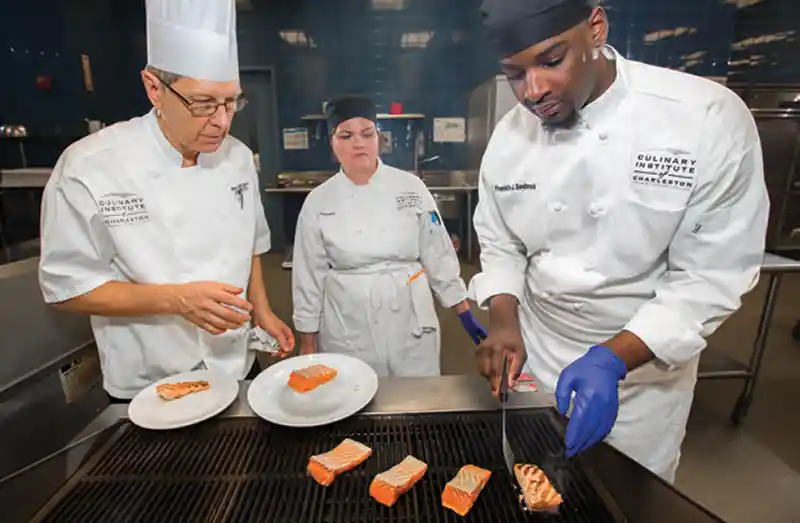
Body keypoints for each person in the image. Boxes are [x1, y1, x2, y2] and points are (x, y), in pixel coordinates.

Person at [472, 0, 768, 482]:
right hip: (541, 356)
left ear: (595, 28)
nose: (533, 91)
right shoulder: (510, 139)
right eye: (514, 74)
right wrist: (504, 319)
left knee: (627, 496)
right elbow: (501, 241)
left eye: (551, 61)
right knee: (535, 486)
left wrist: (613, 359)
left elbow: (710, 276)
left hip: (643, 378)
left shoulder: (704, 118)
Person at [38, 0, 294, 402]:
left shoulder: (239, 157)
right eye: (203, 103)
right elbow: (65, 287)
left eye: (231, 102)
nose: (223, 121)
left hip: (236, 366)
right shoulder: (89, 167)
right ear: (153, 88)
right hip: (148, 382)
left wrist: (261, 310)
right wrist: (176, 299)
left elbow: (251, 247)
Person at [291, 95, 486, 376]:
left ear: (378, 138)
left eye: (367, 133)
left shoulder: (411, 187)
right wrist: (307, 340)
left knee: (418, 398)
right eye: (346, 135)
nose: (358, 143)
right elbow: (308, 275)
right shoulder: (318, 202)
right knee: (354, 396)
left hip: (410, 318)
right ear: (332, 143)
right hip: (348, 322)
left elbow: (438, 254)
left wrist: (464, 312)